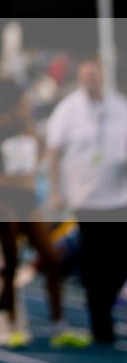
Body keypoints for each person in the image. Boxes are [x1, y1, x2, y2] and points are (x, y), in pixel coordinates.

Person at [0, 72, 70, 347]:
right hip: (4, 199)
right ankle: (13, 325)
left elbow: (41, 151)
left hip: (28, 199)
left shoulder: (31, 128)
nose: (28, 105)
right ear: (14, 103)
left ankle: (59, 324)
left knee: (51, 258)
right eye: (24, 102)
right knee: (11, 261)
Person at [44, 57, 127, 346]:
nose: (90, 80)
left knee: (119, 260)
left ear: (103, 74)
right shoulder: (68, 110)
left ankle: (104, 304)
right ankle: (100, 324)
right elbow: (53, 151)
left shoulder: (119, 107)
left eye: (94, 75)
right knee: (95, 262)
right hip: (87, 199)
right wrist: (56, 189)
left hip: (118, 197)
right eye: (85, 76)